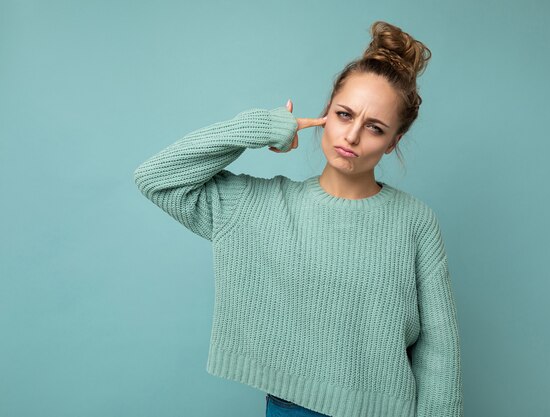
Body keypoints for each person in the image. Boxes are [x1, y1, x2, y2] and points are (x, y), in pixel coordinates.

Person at [134, 20, 463, 417]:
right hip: (295, 410)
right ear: (326, 113)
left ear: (393, 141)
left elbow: (439, 347)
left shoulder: (415, 222)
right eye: (344, 115)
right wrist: (257, 128)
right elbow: (157, 179)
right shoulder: (260, 206)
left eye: (374, 127)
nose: (352, 136)